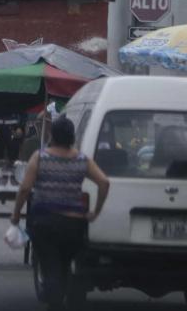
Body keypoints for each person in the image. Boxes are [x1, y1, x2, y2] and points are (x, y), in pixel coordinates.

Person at [11, 117, 110, 309]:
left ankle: (54, 302)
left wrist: (16, 214)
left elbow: (25, 189)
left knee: (50, 265)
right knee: (64, 265)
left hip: (44, 222)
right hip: (73, 225)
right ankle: (58, 299)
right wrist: (95, 211)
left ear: (52, 135)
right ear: (72, 136)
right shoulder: (82, 159)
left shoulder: (40, 157)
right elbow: (104, 182)